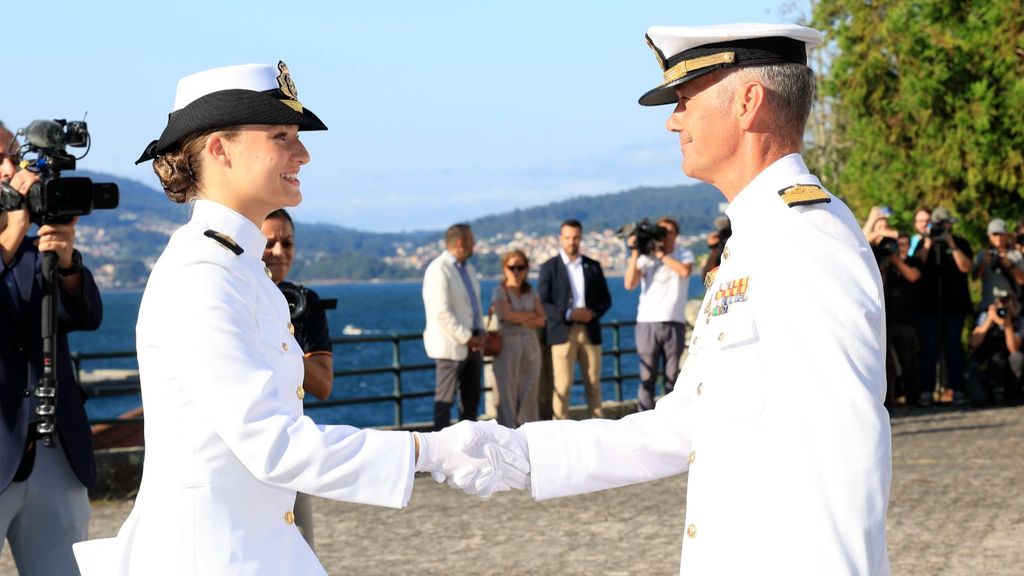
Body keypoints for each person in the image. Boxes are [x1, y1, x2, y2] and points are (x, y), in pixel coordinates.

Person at [71, 62, 526, 576]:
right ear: (220, 148)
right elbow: (273, 442)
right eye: (281, 135)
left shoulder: (235, 265)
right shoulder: (202, 273)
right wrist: (431, 450)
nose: (303, 153)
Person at [472, 23, 893, 574]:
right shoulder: (759, 236)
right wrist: (509, 454)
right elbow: (681, 425)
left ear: (748, 102)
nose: (674, 120)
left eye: (686, 99)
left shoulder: (805, 236)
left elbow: (846, 449)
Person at [0, 121, 103, 575]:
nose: (10, 168)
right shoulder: (15, 244)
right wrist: (9, 233)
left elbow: (86, 316)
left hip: (52, 451)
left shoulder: (32, 249)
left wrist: (66, 262)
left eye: (12, 155)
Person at [260, 208, 334, 551]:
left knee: (299, 546)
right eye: (268, 242)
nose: (279, 252)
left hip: (289, 442)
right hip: (243, 442)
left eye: (287, 243)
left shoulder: (304, 303)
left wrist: (277, 342)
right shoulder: (238, 297)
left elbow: (322, 385)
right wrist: (291, 348)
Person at [537, 219, 612, 419]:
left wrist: (592, 313)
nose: (572, 242)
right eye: (568, 237)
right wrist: (568, 313)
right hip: (562, 332)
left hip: (589, 330)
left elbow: (606, 299)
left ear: (581, 238)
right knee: (562, 386)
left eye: (576, 237)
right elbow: (543, 302)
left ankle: (599, 427)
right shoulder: (549, 268)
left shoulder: (593, 266)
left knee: (594, 384)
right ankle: (558, 429)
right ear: (561, 239)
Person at [623, 216, 695, 410]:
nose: (664, 236)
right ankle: (643, 417)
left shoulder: (684, 254)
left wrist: (662, 255)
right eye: (661, 231)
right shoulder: (646, 257)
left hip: (674, 321)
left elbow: (685, 271)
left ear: (676, 235)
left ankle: (674, 416)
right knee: (647, 376)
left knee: (673, 375)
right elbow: (629, 284)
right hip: (647, 322)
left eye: (668, 232)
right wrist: (635, 253)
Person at [422, 223, 486, 430]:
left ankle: (469, 446)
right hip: (451, 347)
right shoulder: (438, 269)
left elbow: (473, 305)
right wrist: (468, 337)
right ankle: (439, 452)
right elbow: (441, 312)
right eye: (471, 240)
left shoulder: (466, 268)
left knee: (471, 401)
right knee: (444, 402)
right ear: (460, 243)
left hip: (472, 344)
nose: (474, 245)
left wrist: (480, 333)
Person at [913, 206, 973, 405]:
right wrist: (929, 242)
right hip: (927, 307)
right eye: (939, 224)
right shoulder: (923, 244)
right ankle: (927, 391)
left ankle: (957, 389)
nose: (942, 227)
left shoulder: (961, 243)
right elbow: (916, 266)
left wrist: (951, 243)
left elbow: (966, 268)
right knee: (928, 348)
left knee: (953, 348)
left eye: (945, 224)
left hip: (954, 307)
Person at [863, 209, 923, 405]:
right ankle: (888, 400)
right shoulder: (871, 252)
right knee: (884, 362)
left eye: (885, 227)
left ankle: (913, 398)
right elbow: (859, 241)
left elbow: (913, 275)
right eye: (878, 229)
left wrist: (894, 257)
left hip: (903, 317)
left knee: (908, 359)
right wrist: (873, 226)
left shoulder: (904, 256)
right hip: (881, 316)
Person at [490, 249, 546, 427]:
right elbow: (506, 315)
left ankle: (529, 432)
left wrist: (518, 317)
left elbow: (542, 319)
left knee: (530, 390)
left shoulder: (532, 292)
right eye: (511, 267)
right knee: (507, 392)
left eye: (520, 267)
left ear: (526, 269)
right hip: (507, 347)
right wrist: (529, 315)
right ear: (504, 269)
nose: (516, 271)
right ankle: (509, 433)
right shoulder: (500, 291)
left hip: (531, 348)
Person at [966, 290, 1023, 405]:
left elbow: (1013, 349)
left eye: (1007, 303)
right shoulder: (984, 317)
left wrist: (1007, 325)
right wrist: (989, 320)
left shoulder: (1019, 321)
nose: (1002, 308)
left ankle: (1013, 392)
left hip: (1008, 368)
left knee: (1018, 357)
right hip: (985, 365)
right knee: (979, 399)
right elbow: (973, 343)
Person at [972, 217, 1024, 310]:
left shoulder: (1015, 255)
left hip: (1011, 308)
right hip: (989, 306)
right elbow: (974, 278)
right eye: (995, 234)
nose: (998, 238)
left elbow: (1022, 281)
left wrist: (1010, 266)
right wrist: (984, 263)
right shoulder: (983, 255)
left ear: (1006, 235)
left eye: (1001, 234)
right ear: (989, 236)